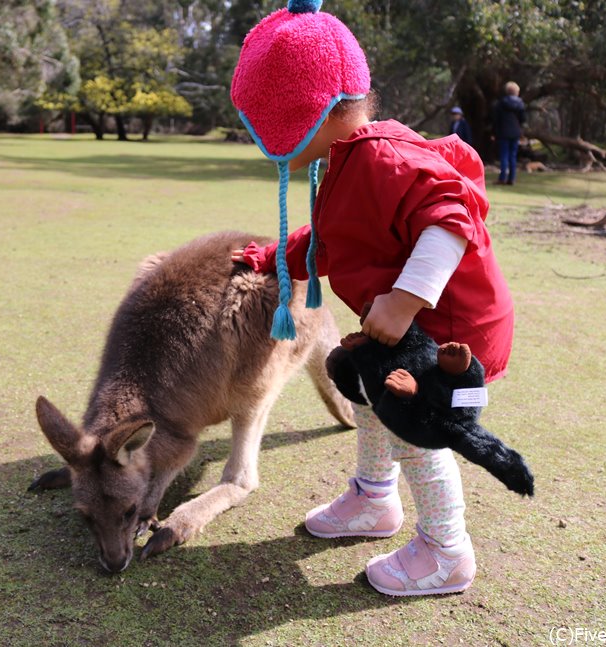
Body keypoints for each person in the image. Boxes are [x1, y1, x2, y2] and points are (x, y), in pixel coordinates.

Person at [229, 0, 515, 596]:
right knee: (362, 387)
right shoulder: (346, 159)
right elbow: (333, 236)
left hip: (447, 331)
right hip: (405, 327)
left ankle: (446, 550)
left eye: (280, 124)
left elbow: (451, 218)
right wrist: (268, 257)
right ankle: (375, 499)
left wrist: (406, 300)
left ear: (324, 114)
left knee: (413, 423)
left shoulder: (382, 159)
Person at [491, 81, 526, 185]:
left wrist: (494, 132)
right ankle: (512, 179)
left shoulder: (500, 103)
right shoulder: (520, 103)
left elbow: (496, 119)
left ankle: (502, 178)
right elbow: (523, 119)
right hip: (515, 133)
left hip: (503, 132)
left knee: (504, 156)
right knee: (512, 156)